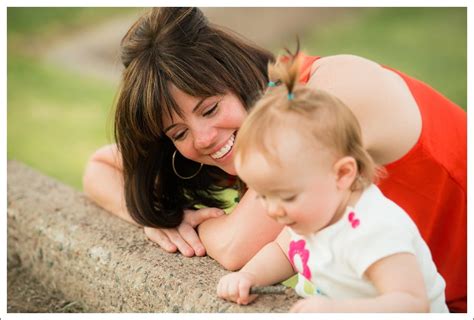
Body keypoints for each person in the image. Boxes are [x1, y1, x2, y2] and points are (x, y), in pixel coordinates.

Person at [82, 7, 466, 311]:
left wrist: (188, 227)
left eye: (210, 108)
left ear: (237, 74)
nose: (202, 138)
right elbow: (100, 168)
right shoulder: (242, 140)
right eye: (178, 133)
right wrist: (159, 221)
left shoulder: (320, 104)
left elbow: (236, 247)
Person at [216, 55, 448, 313]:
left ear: (342, 174)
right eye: (262, 196)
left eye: (287, 196)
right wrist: (248, 276)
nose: (273, 210)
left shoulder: (374, 230)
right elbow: (283, 252)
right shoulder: (314, 213)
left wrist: (337, 310)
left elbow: (412, 304)